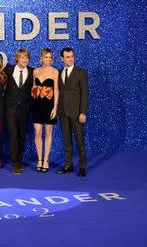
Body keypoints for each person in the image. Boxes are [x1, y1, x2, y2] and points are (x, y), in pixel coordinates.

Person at [57, 47, 89, 177]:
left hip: (76, 113)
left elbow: (85, 94)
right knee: (66, 139)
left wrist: (83, 112)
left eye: (72, 56)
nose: (70, 59)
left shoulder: (80, 72)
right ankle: (68, 165)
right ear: (62, 59)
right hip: (63, 112)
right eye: (68, 57)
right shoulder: (59, 72)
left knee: (79, 139)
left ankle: (82, 167)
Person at [4, 48, 34, 175]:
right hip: (10, 108)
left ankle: (19, 160)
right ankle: (15, 163)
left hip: (25, 110)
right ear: (17, 58)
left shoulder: (32, 71)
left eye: (26, 58)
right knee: (13, 134)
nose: (25, 60)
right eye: (22, 57)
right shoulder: (8, 70)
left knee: (22, 135)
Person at [31, 48, 59, 173]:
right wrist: (34, 92)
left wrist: (55, 107)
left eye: (50, 57)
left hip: (49, 105)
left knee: (48, 133)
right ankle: (39, 159)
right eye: (46, 57)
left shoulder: (55, 72)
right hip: (37, 105)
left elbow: (57, 90)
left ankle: (46, 159)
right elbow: (33, 87)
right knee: (37, 132)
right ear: (41, 58)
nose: (48, 59)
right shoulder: (35, 71)